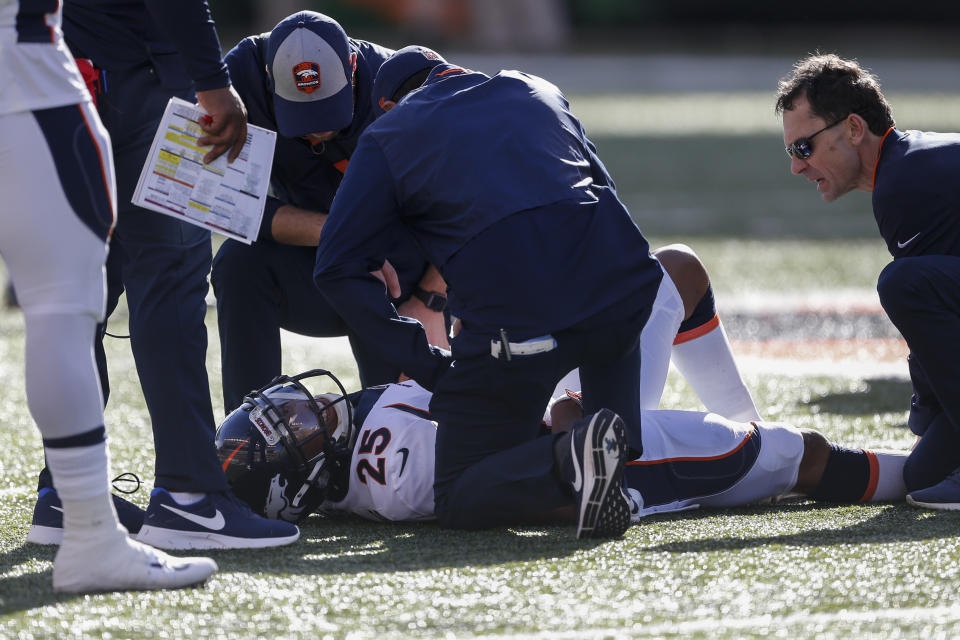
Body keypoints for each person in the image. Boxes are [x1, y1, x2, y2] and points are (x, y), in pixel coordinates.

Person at [314, 51, 674, 539]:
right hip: (624, 292)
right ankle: (613, 444)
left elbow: (334, 267)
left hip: (520, 321)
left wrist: (425, 362)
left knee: (460, 491)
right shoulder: (536, 89)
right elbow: (600, 193)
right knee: (605, 304)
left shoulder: (389, 135)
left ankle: (575, 454)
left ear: (387, 105)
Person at [26, 0, 299, 551]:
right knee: (170, 282)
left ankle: (68, 494)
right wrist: (212, 80)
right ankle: (190, 497)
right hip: (138, 79)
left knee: (82, 294)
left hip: (64, 81)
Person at [372, 47, 763, 424]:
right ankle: (751, 448)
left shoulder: (430, 166)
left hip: (543, 352)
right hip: (532, 391)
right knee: (572, 413)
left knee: (678, 268)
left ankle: (751, 430)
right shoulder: (464, 152)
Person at [0, 0, 218, 591]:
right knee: (62, 305)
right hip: (23, 68)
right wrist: (213, 82)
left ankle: (71, 510)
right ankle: (91, 533)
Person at [215, 372, 908, 526]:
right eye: (296, 428)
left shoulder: (352, 462)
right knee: (789, 454)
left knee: (674, 273)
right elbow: (514, 474)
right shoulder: (393, 477)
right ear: (298, 481)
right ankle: (926, 475)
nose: (310, 410)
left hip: (553, 406)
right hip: (588, 446)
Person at [210, 12, 449, 412]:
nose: (319, 132)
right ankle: (250, 432)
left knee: (402, 420)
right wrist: (342, 236)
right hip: (316, 258)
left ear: (354, 68)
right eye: (303, 117)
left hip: (404, 272)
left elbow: (470, 202)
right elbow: (222, 201)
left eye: (329, 112)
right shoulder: (237, 78)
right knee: (237, 263)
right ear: (269, 79)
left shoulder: (408, 79)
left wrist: (431, 299)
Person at [775, 53, 960, 511]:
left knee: (903, 283)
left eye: (804, 148)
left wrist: (929, 412)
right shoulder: (905, 167)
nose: (798, 167)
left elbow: (926, 308)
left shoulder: (903, 181)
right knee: (921, 476)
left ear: (854, 129)